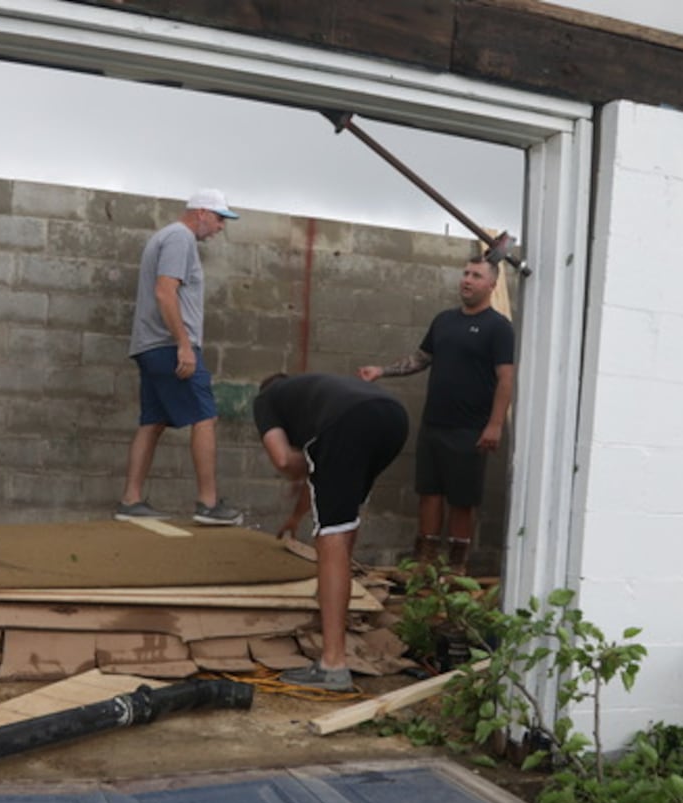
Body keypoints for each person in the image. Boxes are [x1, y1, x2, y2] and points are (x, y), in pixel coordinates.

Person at [252, 372, 409, 691]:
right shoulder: (315, 389)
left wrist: (303, 465)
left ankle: (333, 664)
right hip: (393, 417)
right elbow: (320, 470)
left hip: (348, 424)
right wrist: (296, 517)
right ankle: (334, 597)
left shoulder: (266, 398)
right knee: (343, 524)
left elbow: (283, 459)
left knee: (331, 538)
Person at [358, 256, 515, 574]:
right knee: (428, 493)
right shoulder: (444, 320)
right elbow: (420, 359)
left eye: (476, 276)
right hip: (434, 425)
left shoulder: (498, 328)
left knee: (462, 500)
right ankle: (425, 561)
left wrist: (495, 424)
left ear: (492, 285)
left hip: (470, 429)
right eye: (465, 274)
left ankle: (456, 568)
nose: (467, 280)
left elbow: (506, 379)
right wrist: (382, 371)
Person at [116, 189, 244, 526]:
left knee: (153, 422)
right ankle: (208, 503)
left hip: (151, 346)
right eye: (219, 219)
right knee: (205, 416)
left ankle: (130, 500)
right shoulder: (179, 238)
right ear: (201, 212)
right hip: (168, 346)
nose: (220, 228)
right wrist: (184, 345)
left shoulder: (168, 237)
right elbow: (164, 291)